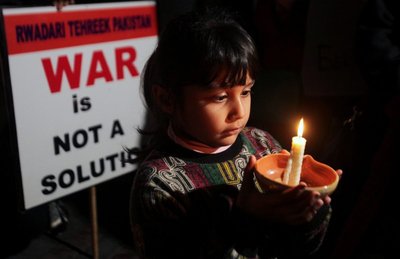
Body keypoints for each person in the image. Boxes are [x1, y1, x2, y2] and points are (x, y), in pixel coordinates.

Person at [129, 8, 341, 259]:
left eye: (246, 91)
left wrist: (306, 217)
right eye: (220, 97)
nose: (238, 112)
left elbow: (290, 248)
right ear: (166, 99)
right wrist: (243, 220)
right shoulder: (160, 185)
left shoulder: (262, 144)